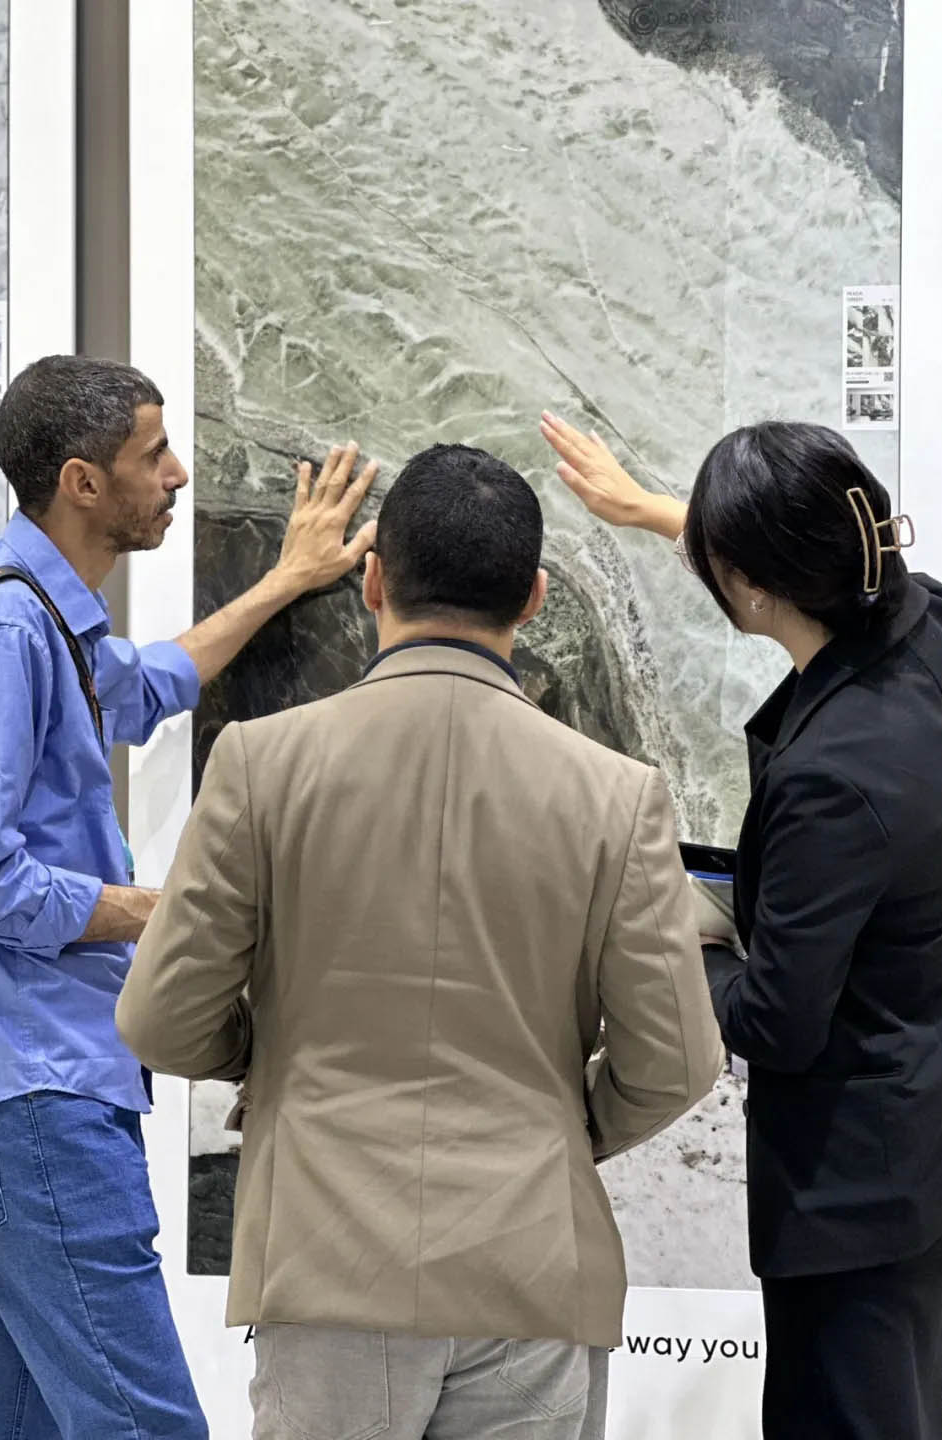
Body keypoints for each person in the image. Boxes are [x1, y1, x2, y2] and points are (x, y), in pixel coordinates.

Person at [116, 442, 724, 1440]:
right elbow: (676, 1064)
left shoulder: (263, 764)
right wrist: (558, 1131)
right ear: (532, 600)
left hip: (327, 1257)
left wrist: (276, 1061)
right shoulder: (619, 795)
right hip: (533, 1264)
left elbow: (160, 1019)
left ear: (372, 581)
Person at [541, 413, 942, 1440]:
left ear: (751, 586)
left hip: (854, 1191)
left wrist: (689, 941)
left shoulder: (831, 778)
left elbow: (776, 1023)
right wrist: (652, 512)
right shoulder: (936, 622)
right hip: (934, 1122)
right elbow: (803, 566)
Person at [0, 354, 379, 1440]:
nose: (179, 473)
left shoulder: (37, 615)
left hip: (11, 1101)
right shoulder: (7, 632)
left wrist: (286, 579)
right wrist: (171, 911)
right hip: (41, 1100)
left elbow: (146, 686)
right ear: (82, 482)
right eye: (154, 454)